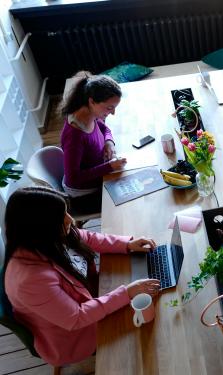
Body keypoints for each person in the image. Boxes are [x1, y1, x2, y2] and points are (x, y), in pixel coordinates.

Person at [3, 187, 160, 367]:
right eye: (61, 216)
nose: (70, 219)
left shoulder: (47, 237)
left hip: (93, 295)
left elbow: (87, 237)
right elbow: (76, 317)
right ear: (40, 226)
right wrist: (127, 292)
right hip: (74, 335)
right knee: (148, 342)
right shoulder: (30, 280)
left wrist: (127, 244)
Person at [60, 72, 127, 215]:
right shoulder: (74, 135)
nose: (113, 113)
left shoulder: (90, 113)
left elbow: (103, 127)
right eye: (109, 108)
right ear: (92, 101)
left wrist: (109, 142)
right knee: (128, 203)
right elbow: (74, 177)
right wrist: (108, 167)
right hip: (83, 194)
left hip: (97, 172)